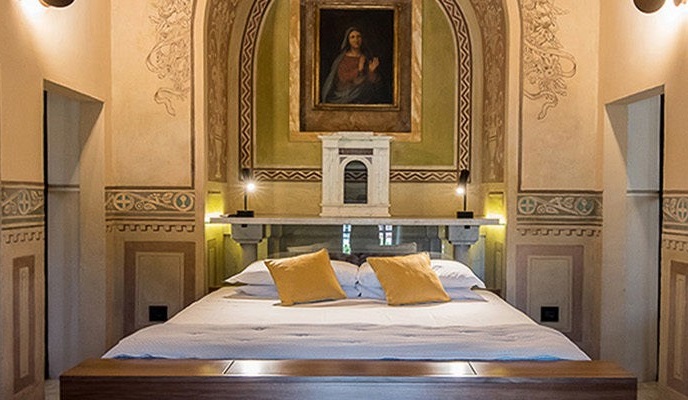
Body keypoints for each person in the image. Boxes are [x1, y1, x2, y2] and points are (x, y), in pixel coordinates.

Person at [321, 27, 383, 104]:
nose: (356, 40)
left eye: (358, 36)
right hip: (344, 94)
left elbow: (375, 83)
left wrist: (371, 71)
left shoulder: (367, 57)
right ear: (348, 40)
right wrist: (359, 69)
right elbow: (343, 78)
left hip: (363, 95)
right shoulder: (343, 58)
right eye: (352, 37)